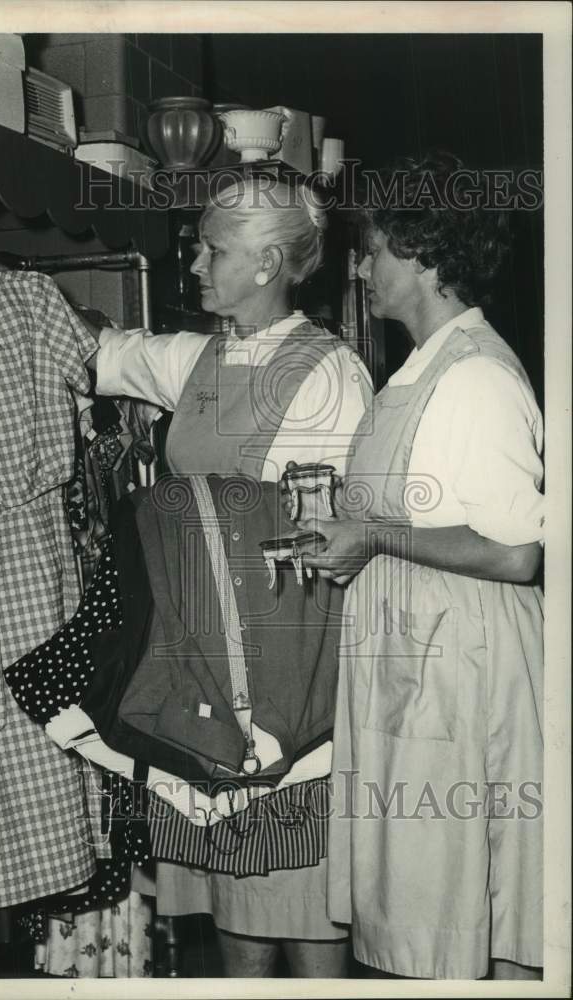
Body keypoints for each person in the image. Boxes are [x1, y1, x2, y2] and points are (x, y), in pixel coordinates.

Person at [83, 176, 373, 977]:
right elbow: (98, 353)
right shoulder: (200, 356)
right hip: (198, 667)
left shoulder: (331, 376)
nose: (195, 265)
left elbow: (332, 551)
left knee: (300, 895)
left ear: (268, 263)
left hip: (289, 674)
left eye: (213, 250)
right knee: (232, 898)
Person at [293, 152, 544, 980]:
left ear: (426, 255)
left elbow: (515, 551)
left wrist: (371, 538)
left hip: (461, 674)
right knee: (420, 914)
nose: (359, 269)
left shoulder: (476, 378)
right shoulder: (421, 368)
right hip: (416, 666)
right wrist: (351, 536)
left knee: (455, 917)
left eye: (372, 250)